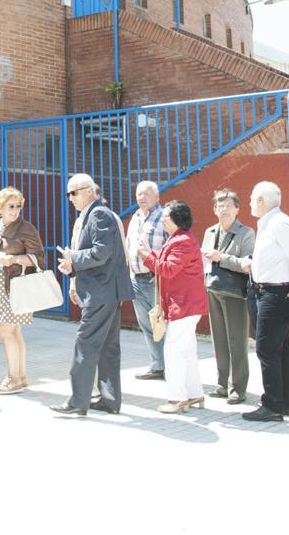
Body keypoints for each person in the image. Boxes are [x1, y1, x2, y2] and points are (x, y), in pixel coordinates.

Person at [52, 174, 133, 416]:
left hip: (101, 291)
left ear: (88, 191)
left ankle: (78, 401)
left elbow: (101, 252)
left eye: (73, 193)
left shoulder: (98, 214)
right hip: (105, 290)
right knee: (108, 347)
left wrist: (73, 258)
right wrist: (73, 267)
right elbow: (100, 256)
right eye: (68, 194)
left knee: (85, 345)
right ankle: (109, 400)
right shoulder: (93, 214)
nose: (70, 198)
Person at [243, 181, 289, 422]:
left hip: (276, 294)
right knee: (279, 348)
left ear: (261, 200)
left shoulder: (280, 224)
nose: (250, 202)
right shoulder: (268, 224)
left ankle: (272, 405)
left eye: (252, 198)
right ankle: (284, 401)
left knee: (267, 349)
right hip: (265, 291)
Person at [141, 200, 208, 413]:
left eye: (166, 217)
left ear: (177, 219)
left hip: (184, 304)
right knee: (187, 351)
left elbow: (168, 269)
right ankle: (194, 394)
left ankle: (177, 399)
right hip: (186, 305)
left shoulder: (182, 241)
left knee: (174, 351)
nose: (162, 220)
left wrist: (146, 256)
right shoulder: (181, 239)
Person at [0, 186, 44, 394]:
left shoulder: (27, 229)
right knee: (13, 331)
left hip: (16, 284)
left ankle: (13, 378)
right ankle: (21, 377)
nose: (15, 210)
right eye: (11, 206)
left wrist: (12, 260)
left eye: (18, 206)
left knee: (6, 330)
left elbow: (39, 258)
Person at [199, 188, 254, 404]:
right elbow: (205, 261)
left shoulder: (246, 233)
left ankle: (238, 388)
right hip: (213, 288)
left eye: (228, 206)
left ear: (237, 209)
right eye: (219, 206)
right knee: (219, 340)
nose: (223, 210)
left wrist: (220, 258)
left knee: (236, 341)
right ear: (214, 209)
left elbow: (246, 264)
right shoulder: (210, 232)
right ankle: (222, 384)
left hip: (234, 292)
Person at [125, 180, 167, 380]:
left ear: (157, 197)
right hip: (136, 279)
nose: (141, 197)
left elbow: (172, 246)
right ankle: (158, 365)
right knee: (146, 324)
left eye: (146, 194)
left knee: (162, 323)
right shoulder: (135, 218)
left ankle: (171, 365)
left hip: (155, 280)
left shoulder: (164, 216)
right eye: (138, 194)